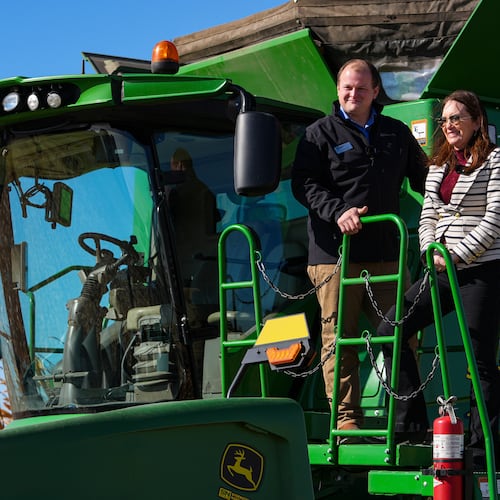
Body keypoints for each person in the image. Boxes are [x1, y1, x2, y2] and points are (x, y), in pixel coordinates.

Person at [291, 58, 427, 440]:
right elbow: (303, 185)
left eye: (361, 88)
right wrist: (338, 212)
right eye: (347, 88)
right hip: (335, 256)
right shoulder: (318, 134)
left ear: (375, 92)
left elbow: (425, 179)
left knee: (401, 334)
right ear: (338, 90)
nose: (353, 94)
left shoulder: (396, 134)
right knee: (340, 338)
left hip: (386, 256)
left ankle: (408, 419)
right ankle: (346, 419)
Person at [378, 89, 500, 464]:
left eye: (457, 118)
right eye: (444, 120)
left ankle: (483, 449)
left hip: (481, 270)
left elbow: (495, 220)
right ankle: (412, 424)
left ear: (477, 121)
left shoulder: (495, 161)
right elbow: (428, 214)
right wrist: (431, 251)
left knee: (479, 361)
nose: (449, 125)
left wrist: (457, 254)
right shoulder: (438, 165)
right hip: (441, 267)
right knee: (391, 330)